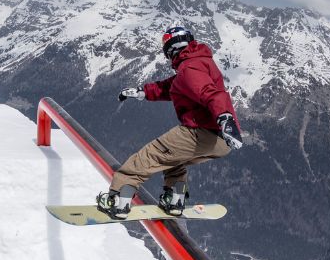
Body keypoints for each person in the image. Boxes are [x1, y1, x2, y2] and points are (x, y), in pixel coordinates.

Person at [96, 25, 244, 219]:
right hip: (220, 141)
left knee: (149, 156)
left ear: (171, 49)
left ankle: (117, 200)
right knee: (173, 159)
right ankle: (174, 199)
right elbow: (172, 86)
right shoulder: (197, 62)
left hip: (201, 131)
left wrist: (225, 118)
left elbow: (210, 93)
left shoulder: (189, 67)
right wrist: (142, 92)